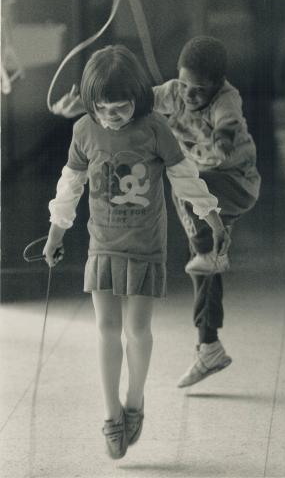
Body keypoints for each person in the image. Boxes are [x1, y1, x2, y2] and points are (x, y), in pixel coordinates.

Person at [43, 44, 230, 460]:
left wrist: (211, 217)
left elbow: (185, 179)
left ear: (138, 98)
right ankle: (111, 413)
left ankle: (135, 400)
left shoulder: (155, 128)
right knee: (106, 330)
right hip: (102, 245)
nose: (112, 115)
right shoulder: (83, 132)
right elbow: (70, 187)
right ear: (91, 104)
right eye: (103, 108)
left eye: (121, 107)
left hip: (145, 246)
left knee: (137, 332)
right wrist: (55, 234)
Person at [51, 36, 261, 390]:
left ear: (218, 85)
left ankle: (207, 251)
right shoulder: (174, 92)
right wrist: (87, 107)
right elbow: (132, 101)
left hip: (234, 183)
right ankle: (209, 345)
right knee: (204, 268)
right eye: (185, 85)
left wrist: (217, 150)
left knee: (182, 178)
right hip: (205, 186)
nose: (189, 95)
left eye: (200, 90)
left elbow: (226, 127)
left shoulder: (227, 99)